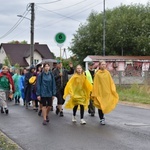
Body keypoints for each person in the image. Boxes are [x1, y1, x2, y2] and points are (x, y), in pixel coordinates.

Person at [91, 61, 119, 125]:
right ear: (100, 65)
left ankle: (103, 116)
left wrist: (112, 89)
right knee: (100, 105)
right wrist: (95, 92)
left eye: (104, 64)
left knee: (105, 104)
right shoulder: (97, 74)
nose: (103, 65)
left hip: (106, 92)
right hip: (100, 92)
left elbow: (110, 82)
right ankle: (102, 118)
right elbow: (96, 84)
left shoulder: (107, 73)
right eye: (102, 64)